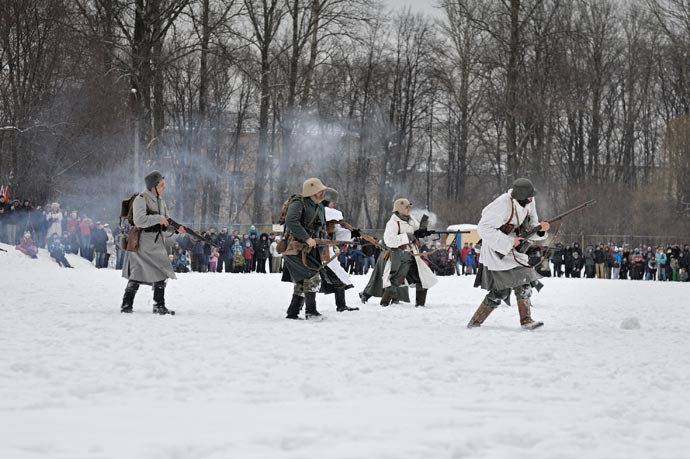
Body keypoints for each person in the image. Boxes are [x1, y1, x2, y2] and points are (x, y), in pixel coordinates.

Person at [467, 178, 550, 330]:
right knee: (502, 290)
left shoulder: (530, 202)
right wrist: (508, 242)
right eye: (529, 196)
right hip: (496, 249)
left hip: (513, 249)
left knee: (520, 281)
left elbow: (532, 226)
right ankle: (475, 323)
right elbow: (483, 228)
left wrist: (541, 229)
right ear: (521, 196)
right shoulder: (502, 204)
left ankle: (526, 320)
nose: (532, 199)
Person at [120, 170, 186, 315]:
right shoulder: (141, 199)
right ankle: (126, 304)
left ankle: (158, 305)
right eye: (162, 185)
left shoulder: (161, 201)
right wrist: (157, 218)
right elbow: (139, 220)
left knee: (161, 271)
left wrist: (176, 229)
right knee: (137, 273)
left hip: (156, 243)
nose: (164, 188)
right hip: (141, 242)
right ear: (153, 186)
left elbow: (165, 222)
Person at [362, 198, 437, 307]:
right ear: (399, 209)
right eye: (406, 207)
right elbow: (389, 240)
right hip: (400, 256)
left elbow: (415, 233)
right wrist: (407, 237)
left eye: (409, 207)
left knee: (423, 278)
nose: (408, 209)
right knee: (394, 282)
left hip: (412, 255)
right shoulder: (392, 223)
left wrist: (420, 233)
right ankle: (384, 304)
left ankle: (420, 306)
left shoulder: (411, 221)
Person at [281, 178, 329, 320]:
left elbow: (322, 227)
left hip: (312, 249)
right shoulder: (298, 203)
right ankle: (311, 311)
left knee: (303, 281)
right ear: (312, 191)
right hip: (295, 248)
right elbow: (291, 221)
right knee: (312, 277)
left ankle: (293, 312)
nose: (323, 193)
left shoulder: (319, 206)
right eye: (320, 191)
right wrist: (307, 238)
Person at [321, 187, 359, 312]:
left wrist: (351, 233)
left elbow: (338, 232)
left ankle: (341, 306)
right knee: (309, 284)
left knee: (339, 280)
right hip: (320, 253)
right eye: (333, 201)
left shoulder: (329, 216)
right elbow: (336, 217)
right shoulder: (324, 212)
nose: (334, 204)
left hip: (327, 252)